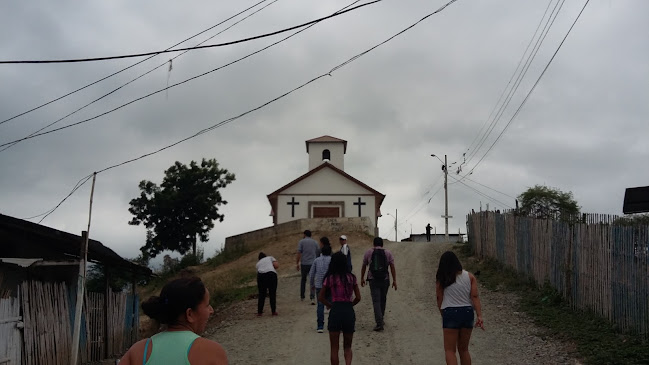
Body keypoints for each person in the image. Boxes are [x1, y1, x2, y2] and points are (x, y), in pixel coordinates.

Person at [118, 277, 228, 365]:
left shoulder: (139, 350)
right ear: (189, 314)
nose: (211, 310)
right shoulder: (211, 352)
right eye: (207, 305)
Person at [435, 251, 484, 365]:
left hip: (450, 312)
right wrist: (479, 315)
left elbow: (439, 297)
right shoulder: (470, 276)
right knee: (464, 349)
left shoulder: (442, 278)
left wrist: (442, 312)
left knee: (450, 350)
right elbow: (475, 296)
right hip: (467, 312)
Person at [319, 252, 361, 365]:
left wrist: (330, 305)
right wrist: (350, 305)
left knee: (334, 348)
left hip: (336, 310)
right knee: (347, 347)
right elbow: (358, 297)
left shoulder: (330, 278)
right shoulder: (352, 278)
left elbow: (320, 297)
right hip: (348, 311)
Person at [360, 237, 397, 331]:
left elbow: (364, 265)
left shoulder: (369, 252)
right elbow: (392, 267)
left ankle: (379, 322)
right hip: (385, 279)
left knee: (376, 301)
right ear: (382, 244)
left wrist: (362, 278)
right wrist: (394, 281)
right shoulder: (387, 253)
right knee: (383, 299)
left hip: (373, 279)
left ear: (373, 244)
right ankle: (381, 319)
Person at [309, 242, 332, 332]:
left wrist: (312, 285)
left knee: (320, 305)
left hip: (319, 285)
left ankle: (320, 326)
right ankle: (331, 324)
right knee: (331, 304)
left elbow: (311, 274)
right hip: (330, 285)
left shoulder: (316, 260)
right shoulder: (332, 260)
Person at [296, 229, 320, 304]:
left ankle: (302, 296)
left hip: (304, 263)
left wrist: (297, 263)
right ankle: (312, 297)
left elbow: (299, 253)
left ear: (304, 234)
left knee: (303, 280)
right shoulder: (315, 242)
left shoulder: (301, 242)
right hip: (313, 263)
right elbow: (318, 253)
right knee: (312, 280)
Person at [256, 252, 279, 316]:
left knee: (261, 294)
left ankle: (259, 312)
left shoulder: (258, 263)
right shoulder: (270, 257)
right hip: (271, 274)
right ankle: (273, 311)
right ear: (265, 256)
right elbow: (276, 266)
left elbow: (258, 271)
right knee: (272, 293)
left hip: (260, 276)